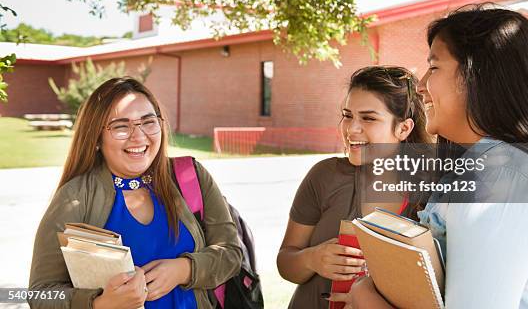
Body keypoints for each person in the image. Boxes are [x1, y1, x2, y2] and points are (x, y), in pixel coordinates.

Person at [350, 6, 528, 308]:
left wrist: (364, 295)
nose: (420, 86)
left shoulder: (502, 183)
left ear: (479, 77)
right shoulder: (500, 170)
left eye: (434, 67)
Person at [29, 77, 242, 309]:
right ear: (97, 138)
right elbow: (40, 294)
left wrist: (185, 270)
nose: (139, 136)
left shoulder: (192, 177)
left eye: (148, 122)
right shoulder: (74, 198)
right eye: (121, 126)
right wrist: (99, 304)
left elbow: (231, 254)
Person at [277, 65, 432, 309]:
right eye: (347, 115)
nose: (351, 129)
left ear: (404, 128)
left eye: (368, 118)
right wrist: (312, 259)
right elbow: (285, 262)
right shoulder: (324, 176)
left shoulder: (430, 194)